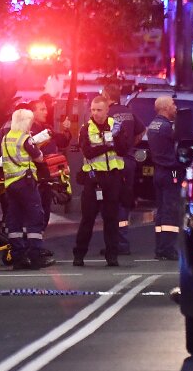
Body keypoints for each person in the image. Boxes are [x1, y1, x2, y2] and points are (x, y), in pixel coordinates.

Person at [73, 95, 129, 267]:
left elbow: (123, 150)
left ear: (107, 110)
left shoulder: (116, 126)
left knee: (111, 219)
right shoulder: (86, 129)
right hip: (93, 179)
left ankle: (112, 256)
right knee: (87, 219)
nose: (95, 113)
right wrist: (107, 145)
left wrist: (116, 138)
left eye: (99, 110)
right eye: (93, 110)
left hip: (112, 178)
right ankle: (79, 255)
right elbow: (88, 152)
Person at [1, 108, 53, 270]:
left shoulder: (5, 138)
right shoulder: (25, 139)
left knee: (14, 220)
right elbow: (38, 157)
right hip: (26, 182)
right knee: (35, 218)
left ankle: (18, 257)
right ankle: (35, 257)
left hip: (10, 184)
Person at [103, 83, 146, 255]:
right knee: (124, 202)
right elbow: (142, 131)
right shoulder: (129, 112)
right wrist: (130, 145)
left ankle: (115, 244)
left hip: (114, 163)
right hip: (129, 161)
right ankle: (122, 243)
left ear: (107, 96)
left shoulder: (108, 115)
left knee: (111, 202)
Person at [29, 98, 72, 230]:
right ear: (32, 112)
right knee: (35, 210)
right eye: (42, 109)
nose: (46, 112)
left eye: (46, 109)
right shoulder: (28, 130)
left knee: (45, 207)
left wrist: (66, 130)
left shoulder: (47, 127)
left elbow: (62, 142)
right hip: (35, 178)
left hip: (48, 176)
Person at [148, 95, 180, 260]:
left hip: (158, 171)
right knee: (170, 210)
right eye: (173, 104)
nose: (175, 107)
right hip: (171, 172)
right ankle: (167, 249)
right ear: (166, 107)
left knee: (161, 210)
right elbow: (178, 146)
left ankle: (159, 248)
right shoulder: (168, 127)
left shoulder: (153, 125)